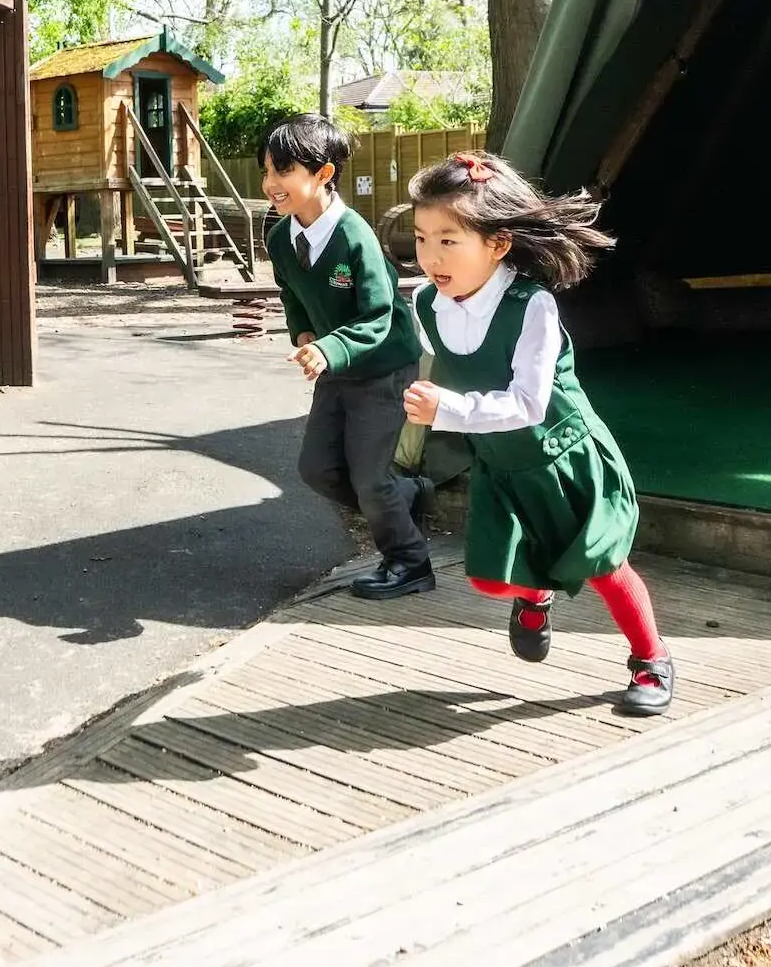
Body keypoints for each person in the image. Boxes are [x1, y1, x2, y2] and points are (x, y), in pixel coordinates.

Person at [399, 151, 672, 715]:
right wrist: (334, 354)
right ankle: (535, 593)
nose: (430, 256)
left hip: (561, 457)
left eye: (449, 240)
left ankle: (651, 657)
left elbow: (527, 404)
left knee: (602, 566)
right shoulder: (428, 302)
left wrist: (446, 409)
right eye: (422, 238)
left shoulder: (532, 306)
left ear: (498, 244)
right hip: (500, 461)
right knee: (492, 581)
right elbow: (402, 347)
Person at [260, 114, 434, 598]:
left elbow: (379, 316)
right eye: (268, 172)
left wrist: (328, 348)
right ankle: (408, 496)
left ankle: (410, 561)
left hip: (383, 366)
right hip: (335, 365)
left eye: (284, 171)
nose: (272, 183)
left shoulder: (354, 236)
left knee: (370, 479)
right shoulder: (279, 237)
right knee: (317, 469)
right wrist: (303, 332)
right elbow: (289, 291)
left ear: (323, 175)